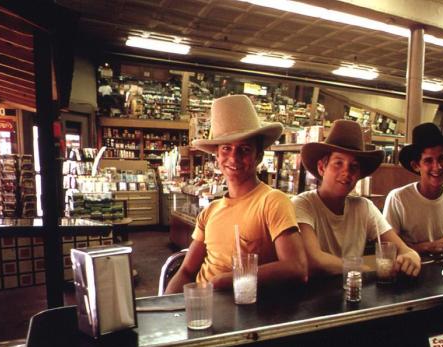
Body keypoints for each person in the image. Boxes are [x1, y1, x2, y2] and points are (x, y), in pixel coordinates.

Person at [165, 95, 307, 293]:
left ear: (258, 156)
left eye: (244, 149)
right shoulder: (211, 211)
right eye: (226, 149)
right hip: (201, 307)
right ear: (217, 156)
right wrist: (164, 306)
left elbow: (297, 268)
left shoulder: (272, 201)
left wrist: (225, 281)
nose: (234, 157)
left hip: (239, 310)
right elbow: (187, 271)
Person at [292, 119, 420, 277]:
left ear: (359, 174)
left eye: (353, 166)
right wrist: (364, 269)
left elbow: (402, 248)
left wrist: (411, 256)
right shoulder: (303, 204)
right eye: (338, 163)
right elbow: (314, 259)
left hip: (353, 293)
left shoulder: (363, 207)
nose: (346, 172)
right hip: (313, 296)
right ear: (321, 167)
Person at [383, 123, 443, 258]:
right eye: (429, 160)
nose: (438, 167)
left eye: (442, 158)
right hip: (410, 272)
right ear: (416, 165)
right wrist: (429, 247)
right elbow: (388, 249)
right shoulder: (398, 198)